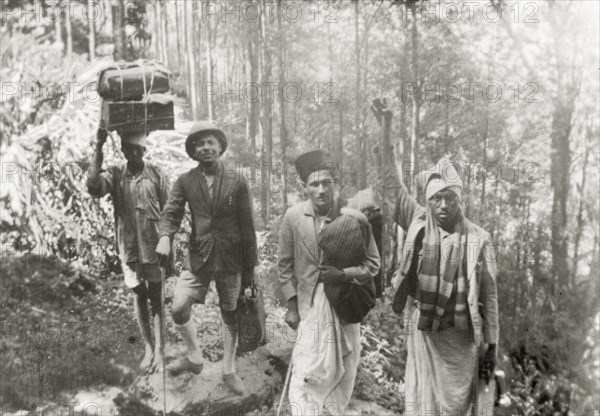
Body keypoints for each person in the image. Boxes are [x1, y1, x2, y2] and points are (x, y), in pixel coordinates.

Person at [155, 121, 257, 395]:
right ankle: (195, 357)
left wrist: (251, 270)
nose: (206, 148)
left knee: (230, 311)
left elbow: (248, 227)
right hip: (199, 255)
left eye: (211, 142)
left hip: (232, 257)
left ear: (220, 146)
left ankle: (228, 369)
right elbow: (171, 212)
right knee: (178, 307)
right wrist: (166, 236)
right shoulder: (185, 181)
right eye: (199, 144)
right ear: (193, 150)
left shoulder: (237, 179)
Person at [391, 157, 499, 415]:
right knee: (422, 400)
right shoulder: (418, 222)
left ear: (459, 200)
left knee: (455, 406)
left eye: (450, 198)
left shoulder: (479, 238)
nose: (443, 205)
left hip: (460, 337)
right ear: (428, 201)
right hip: (424, 331)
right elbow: (392, 187)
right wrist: (387, 134)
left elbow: (490, 295)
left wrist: (492, 343)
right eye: (436, 198)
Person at [278, 150, 380, 415]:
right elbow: (285, 265)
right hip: (308, 309)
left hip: (344, 308)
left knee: (341, 375)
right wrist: (291, 305)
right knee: (305, 376)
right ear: (305, 187)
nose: (321, 190)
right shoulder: (293, 217)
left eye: (327, 183)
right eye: (314, 184)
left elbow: (373, 264)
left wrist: (343, 274)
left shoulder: (355, 217)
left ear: (336, 184)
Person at [87, 128, 170, 373]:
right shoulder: (115, 174)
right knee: (138, 295)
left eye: (138, 149)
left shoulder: (157, 174)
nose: (133, 153)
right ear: (122, 150)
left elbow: (170, 211)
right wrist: (99, 147)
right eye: (128, 149)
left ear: (145, 150)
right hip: (130, 247)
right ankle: (147, 347)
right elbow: (94, 187)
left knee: (157, 297)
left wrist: (167, 239)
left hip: (155, 246)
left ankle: (160, 352)